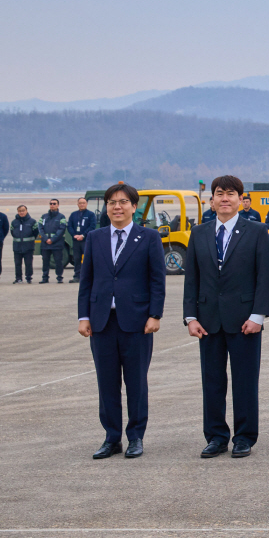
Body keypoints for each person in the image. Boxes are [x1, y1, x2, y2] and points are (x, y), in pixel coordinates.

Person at [184, 175, 269, 459]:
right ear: (211, 201)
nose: (225, 198)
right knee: (212, 382)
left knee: (245, 381)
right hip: (208, 320)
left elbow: (264, 276)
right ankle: (216, 437)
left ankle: (244, 437)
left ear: (241, 200)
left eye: (231, 194)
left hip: (245, 320)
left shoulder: (257, 231)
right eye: (220, 193)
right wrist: (190, 317)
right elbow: (192, 278)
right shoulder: (199, 233)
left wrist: (258, 315)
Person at [77, 182, 166, 459]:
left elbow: (157, 280)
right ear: (107, 207)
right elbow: (87, 280)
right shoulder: (95, 237)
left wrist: (155, 315)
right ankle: (111, 437)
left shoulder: (149, 237)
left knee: (136, 382)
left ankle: (135, 437)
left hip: (137, 322)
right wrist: (84, 316)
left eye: (123, 202)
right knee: (107, 383)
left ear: (134, 206)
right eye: (112, 202)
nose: (117, 207)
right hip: (102, 321)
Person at [67, 196, 97, 280]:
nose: (82, 204)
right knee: (76, 259)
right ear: (77, 204)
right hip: (76, 241)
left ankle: (88, 276)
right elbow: (69, 226)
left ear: (86, 204)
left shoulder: (91, 214)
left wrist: (83, 235)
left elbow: (92, 226)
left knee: (87, 258)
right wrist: (74, 235)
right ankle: (77, 276)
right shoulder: (73, 215)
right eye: (80, 203)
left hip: (86, 240)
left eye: (83, 203)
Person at [39, 198, 68, 283]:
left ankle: (59, 277)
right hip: (45, 244)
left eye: (54, 204)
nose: (52, 205)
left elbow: (61, 229)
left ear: (58, 205)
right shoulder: (44, 217)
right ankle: (45, 278)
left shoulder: (61, 217)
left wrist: (52, 239)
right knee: (45, 261)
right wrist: (45, 239)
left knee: (58, 261)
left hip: (57, 244)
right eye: (51, 203)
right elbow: (40, 228)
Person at [10, 205, 38, 283]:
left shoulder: (32, 222)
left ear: (26, 211)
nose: (21, 212)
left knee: (28, 263)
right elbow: (12, 232)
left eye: (23, 210)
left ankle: (28, 278)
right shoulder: (14, 222)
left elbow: (36, 232)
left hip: (28, 247)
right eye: (20, 211)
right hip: (17, 247)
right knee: (17, 264)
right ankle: (18, 278)